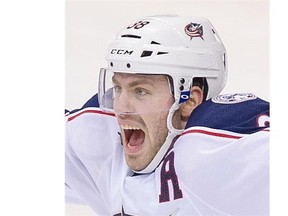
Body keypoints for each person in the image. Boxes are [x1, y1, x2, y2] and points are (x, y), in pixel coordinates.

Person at [65, 15, 269, 215]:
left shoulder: (210, 151)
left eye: (140, 91)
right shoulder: (97, 133)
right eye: (118, 88)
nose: (121, 109)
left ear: (188, 101)